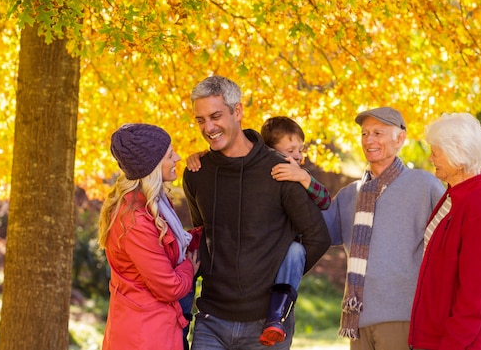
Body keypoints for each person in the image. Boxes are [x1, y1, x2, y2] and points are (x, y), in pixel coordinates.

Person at [182, 76, 331, 350]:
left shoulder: (280, 170)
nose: (209, 127)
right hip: (211, 318)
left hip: (267, 325)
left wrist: (280, 279)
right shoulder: (197, 173)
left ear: (237, 111)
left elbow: (317, 236)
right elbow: (203, 233)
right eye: (200, 120)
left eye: (215, 116)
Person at [322, 107, 445, 350]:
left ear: (400, 138)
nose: (369, 140)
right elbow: (317, 233)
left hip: (403, 317)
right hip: (358, 321)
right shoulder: (349, 195)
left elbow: (456, 229)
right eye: (365, 133)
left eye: (378, 132)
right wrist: (302, 183)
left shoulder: (423, 184)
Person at [98, 123, 201, 350]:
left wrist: (206, 234)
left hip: (155, 326)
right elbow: (169, 287)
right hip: (144, 335)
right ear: (152, 167)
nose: (177, 157)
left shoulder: (154, 204)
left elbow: (170, 246)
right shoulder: (135, 220)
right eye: (169, 155)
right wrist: (189, 269)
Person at [409, 113, 481, 349]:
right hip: (435, 336)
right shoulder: (454, 194)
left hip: (457, 342)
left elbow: (474, 290)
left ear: (458, 157)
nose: (430, 158)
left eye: (436, 152)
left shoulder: (478, 202)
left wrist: (451, 344)